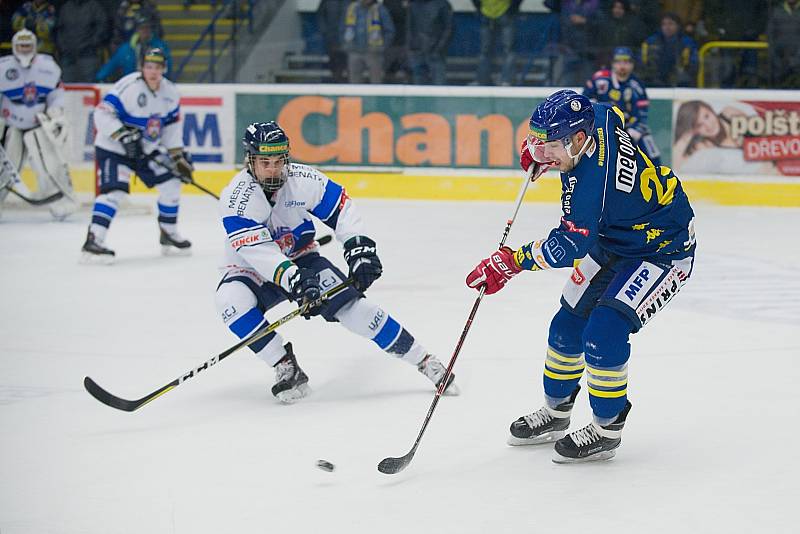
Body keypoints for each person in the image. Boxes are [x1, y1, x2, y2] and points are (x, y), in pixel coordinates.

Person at [466, 90, 696, 463]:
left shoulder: (592, 188)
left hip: (662, 250)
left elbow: (567, 246)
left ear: (577, 139)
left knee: (604, 330)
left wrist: (510, 262)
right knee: (565, 327)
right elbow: (613, 112)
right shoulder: (597, 117)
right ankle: (557, 414)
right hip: (613, 237)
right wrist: (544, 153)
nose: (542, 156)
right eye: (537, 145)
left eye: (549, 147)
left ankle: (607, 429)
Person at [214, 121, 458, 403]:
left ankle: (425, 360)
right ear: (250, 160)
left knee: (357, 311)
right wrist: (295, 281)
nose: (273, 169)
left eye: (279, 161)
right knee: (230, 301)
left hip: (302, 257)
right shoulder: (236, 199)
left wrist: (358, 247)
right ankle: (284, 365)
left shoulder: (302, 180)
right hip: (252, 270)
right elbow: (261, 254)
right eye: (265, 162)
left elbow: (341, 208)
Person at [81, 48, 193, 263]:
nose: (153, 71)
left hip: (145, 151)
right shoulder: (128, 86)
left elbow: (171, 130)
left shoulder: (170, 93)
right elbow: (102, 113)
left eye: (157, 67)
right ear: (142, 67)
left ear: (164, 69)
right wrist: (123, 135)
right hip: (114, 149)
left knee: (171, 184)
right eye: (149, 66)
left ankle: (168, 233)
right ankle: (94, 239)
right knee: (114, 192)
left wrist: (178, 158)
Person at [0, 29, 77, 220]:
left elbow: (56, 94)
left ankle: (61, 203)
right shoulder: (2, 68)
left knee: (49, 165)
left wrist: (56, 113)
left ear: (34, 47)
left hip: (38, 125)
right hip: (12, 127)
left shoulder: (48, 67)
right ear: (14, 47)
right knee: (6, 168)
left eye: (28, 46)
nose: (24, 50)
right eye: (21, 46)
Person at [583, 46, 661, 166]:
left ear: (632, 65)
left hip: (628, 127)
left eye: (626, 62)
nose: (622, 66)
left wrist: (632, 132)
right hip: (600, 125)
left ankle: (657, 176)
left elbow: (642, 116)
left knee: (651, 151)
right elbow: (584, 101)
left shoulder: (637, 86)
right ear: (613, 63)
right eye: (618, 62)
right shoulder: (600, 79)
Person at [672, 100, 774, 175]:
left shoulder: (729, 114)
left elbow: (765, 135)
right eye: (699, 125)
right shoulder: (704, 144)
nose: (708, 125)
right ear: (695, 131)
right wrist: (687, 133)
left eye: (707, 116)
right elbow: (675, 165)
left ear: (712, 111)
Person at [96, 17, 172, 82]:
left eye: (147, 28)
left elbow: (167, 67)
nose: (145, 31)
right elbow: (111, 65)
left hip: (155, 83)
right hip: (132, 84)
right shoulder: (126, 49)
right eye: (141, 28)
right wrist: (99, 78)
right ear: (137, 30)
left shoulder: (160, 46)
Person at [55, 0, 110, 83]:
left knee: (89, 85)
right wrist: (62, 46)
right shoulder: (66, 7)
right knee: (66, 86)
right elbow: (59, 29)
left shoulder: (94, 6)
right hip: (67, 55)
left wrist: (92, 44)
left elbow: (102, 27)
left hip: (88, 54)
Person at [341, 0, 396, 83]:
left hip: (373, 52)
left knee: (376, 81)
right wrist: (346, 44)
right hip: (354, 51)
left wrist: (382, 47)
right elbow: (342, 28)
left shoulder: (380, 9)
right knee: (354, 82)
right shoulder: (352, 8)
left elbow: (389, 31)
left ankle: (375, 96)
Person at [471, 0, 522, 86]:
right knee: (507, 49)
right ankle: (506, 80)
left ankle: (483, 80)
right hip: (502, 12)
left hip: (489, 12)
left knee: (486, 50)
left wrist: (478, 7)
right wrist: (513, 8)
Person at [640, 12, 698, 87]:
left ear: (678, 26)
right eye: (664, 24)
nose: (667, 27)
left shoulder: (687, 43)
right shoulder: (651, 42)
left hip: (679, 83)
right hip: (653, 81)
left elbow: (693, 65)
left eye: (671, 24)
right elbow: (642, 63)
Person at [407, 0, 453, 85]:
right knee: (419, 90)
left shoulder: (442, 4)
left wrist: (438, 48)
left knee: (438, 87)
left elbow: (449, 28)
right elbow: (409, 28)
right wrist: (411, 47)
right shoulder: (413, 5)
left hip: (435, 52)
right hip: (417, 51)